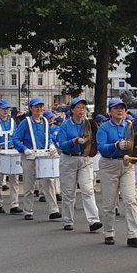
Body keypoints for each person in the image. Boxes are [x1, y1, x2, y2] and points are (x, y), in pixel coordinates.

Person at [96, 97, 137, 246]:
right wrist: (116, 145)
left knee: (131, 200)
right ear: (110, 111)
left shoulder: (129, 126)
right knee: (109, 202)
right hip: (109, 165)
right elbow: (101, 148)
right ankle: (108, 232)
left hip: (126, 164)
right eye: (116, 108)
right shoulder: (104, 128)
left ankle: (133, 235)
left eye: (122, 108)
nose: (119, 110)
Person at [56, 97, 102, 233]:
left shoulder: (88, 123)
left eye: (83, 108)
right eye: (78, 107)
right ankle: (68, 220)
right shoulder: (65, 125)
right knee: (69, 192)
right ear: (72, 110)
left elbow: (96, 139)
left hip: (84, 158)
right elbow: (61, 145)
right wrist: (74, 141)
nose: (81, 110)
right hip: (68, 158)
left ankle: (94, 220)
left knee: (88, 190)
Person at [12, 97, 61, 221]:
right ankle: (28, 210)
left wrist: (51, 144)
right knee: (29, 184)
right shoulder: (25, 123)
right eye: (36, 107)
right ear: (31, 108)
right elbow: (16, 139)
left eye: (40, 106)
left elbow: (48, 137)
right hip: (29, 155)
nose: (39, 109)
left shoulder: (45, 122)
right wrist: (24, 149)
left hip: (43, 155)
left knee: (48, 183)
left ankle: (54, 210)